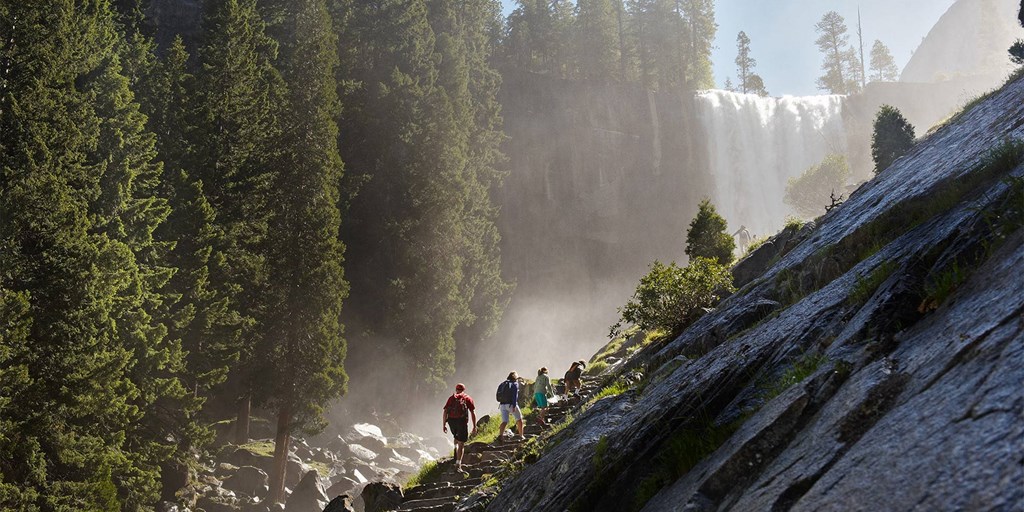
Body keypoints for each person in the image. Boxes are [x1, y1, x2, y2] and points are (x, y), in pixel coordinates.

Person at [442, 383, 477, 475]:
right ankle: (458, 464)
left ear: (456, 389)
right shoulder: (467, 398)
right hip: (461, 421)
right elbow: (472, 412)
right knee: (461, 443)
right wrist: (474, 426)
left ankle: (455, 448)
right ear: (464, 389)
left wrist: (443, 425)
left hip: (451, 421)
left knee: (456, 436)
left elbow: (445, 411)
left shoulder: (451, 398)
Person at [496, 371, 525, 441]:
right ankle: (521, 435)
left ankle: (500, 436)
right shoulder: (514, 383)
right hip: (511, 404)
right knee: (519, 419)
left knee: (504, 421)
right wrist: (514, 405)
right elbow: (515, 395)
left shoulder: (502, 384)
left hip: (502, 405)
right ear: (515, 377)